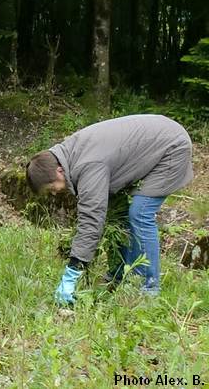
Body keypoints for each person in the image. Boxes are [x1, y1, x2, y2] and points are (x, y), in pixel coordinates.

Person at [26, 114, 193, 303]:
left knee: (140, 213)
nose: (55, 193)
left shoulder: (87, 166)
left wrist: (73, 269)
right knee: (117, 216)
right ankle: (118, 275)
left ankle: (146, 289)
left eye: (51, 188)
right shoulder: (68, 154)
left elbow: (91, 220)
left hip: (171, 146)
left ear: (58, 171)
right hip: (159, 135)